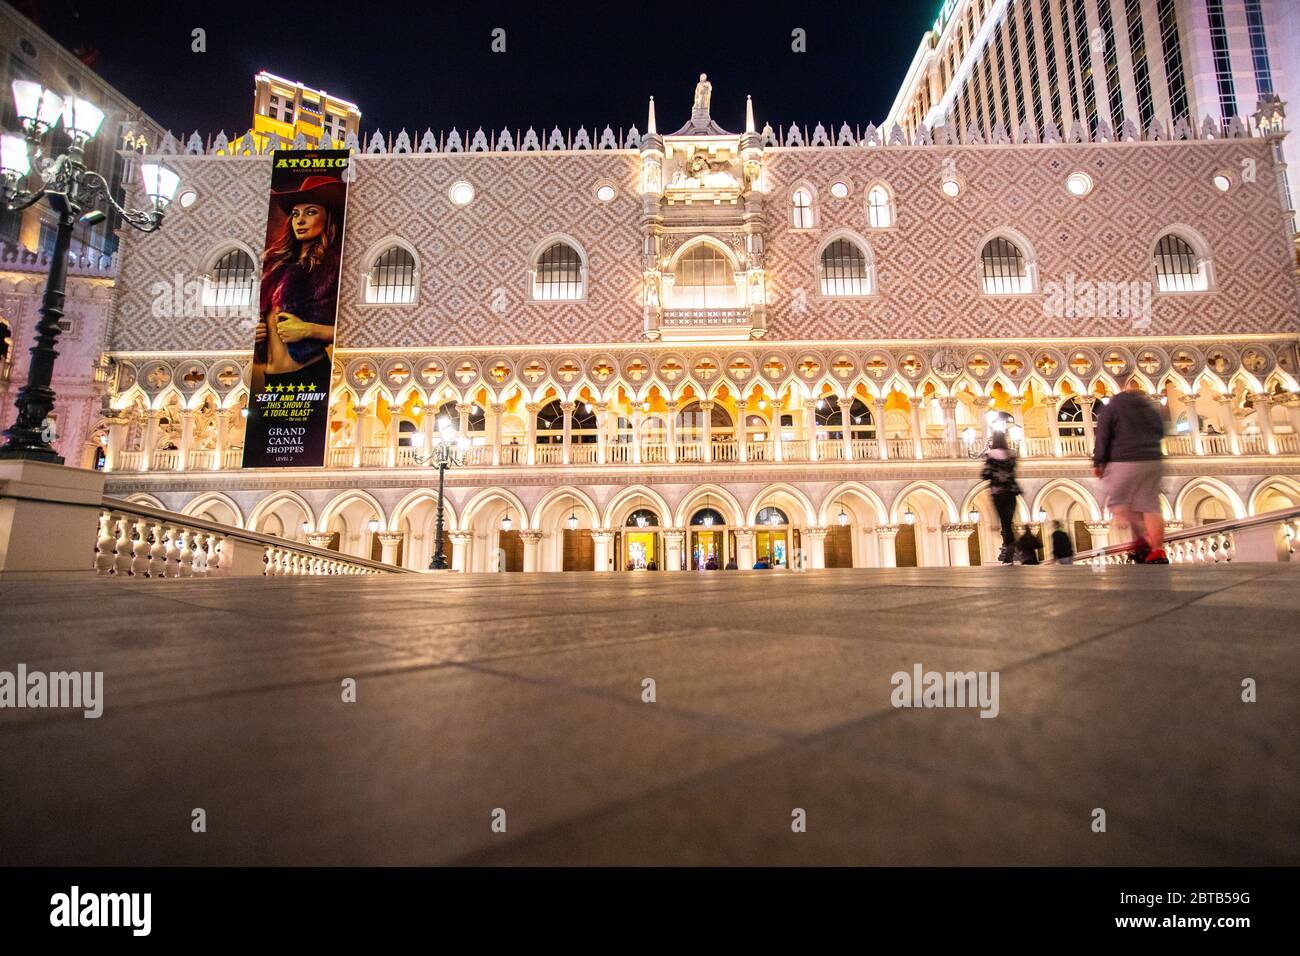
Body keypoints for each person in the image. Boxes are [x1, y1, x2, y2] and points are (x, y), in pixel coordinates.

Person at [253, 175, 346, 394]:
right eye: (296, 214)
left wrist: (308, 330)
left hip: (309, 372)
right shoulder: (274, 266)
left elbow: (356, 332)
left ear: (327, 218)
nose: (300, 220)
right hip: (270, 377)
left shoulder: (331, 268)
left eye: (311, 212)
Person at [1093, 378, 1168, 563]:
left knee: (1117, 504)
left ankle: (1143, 537)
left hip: (1125, 461)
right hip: (1153, 460)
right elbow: (1161, 430)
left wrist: (1099, 461)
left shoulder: (1113, 406)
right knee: (1150, 506)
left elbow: (1102, 435)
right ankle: (1157, 550)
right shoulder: (1148, 407)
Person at [980, 429, 1022, 564]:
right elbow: (1013, 473)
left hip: (998, 492)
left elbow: (986, 474)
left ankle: (1009, 546)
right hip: (1011, 491)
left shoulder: (991, 455)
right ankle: (1011, 546)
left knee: (1004, 521)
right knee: (1009, 521)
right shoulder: (1012, 455)